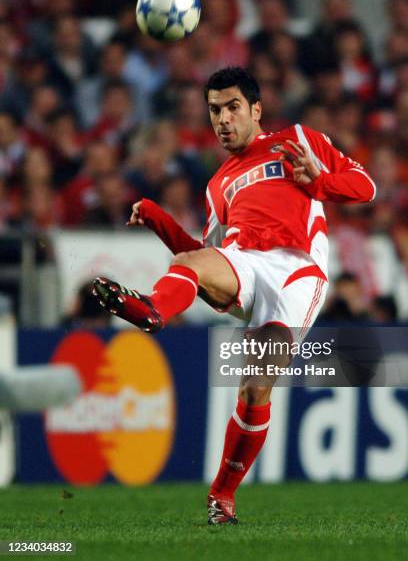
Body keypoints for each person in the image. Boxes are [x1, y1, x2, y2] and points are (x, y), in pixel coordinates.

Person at [92, 66, 376, 525]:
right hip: (243, 261)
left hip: (297, 270)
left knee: (255, 387)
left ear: (256, 110)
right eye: (214, 110)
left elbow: (366, 187)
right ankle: (152, 310)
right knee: (188, 267)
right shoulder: (217, 184)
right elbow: (202, 259)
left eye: (232, 108)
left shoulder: (301, 138)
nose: (222, 119)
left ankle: (222, 496)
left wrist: (317, 182)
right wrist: (160, 220)